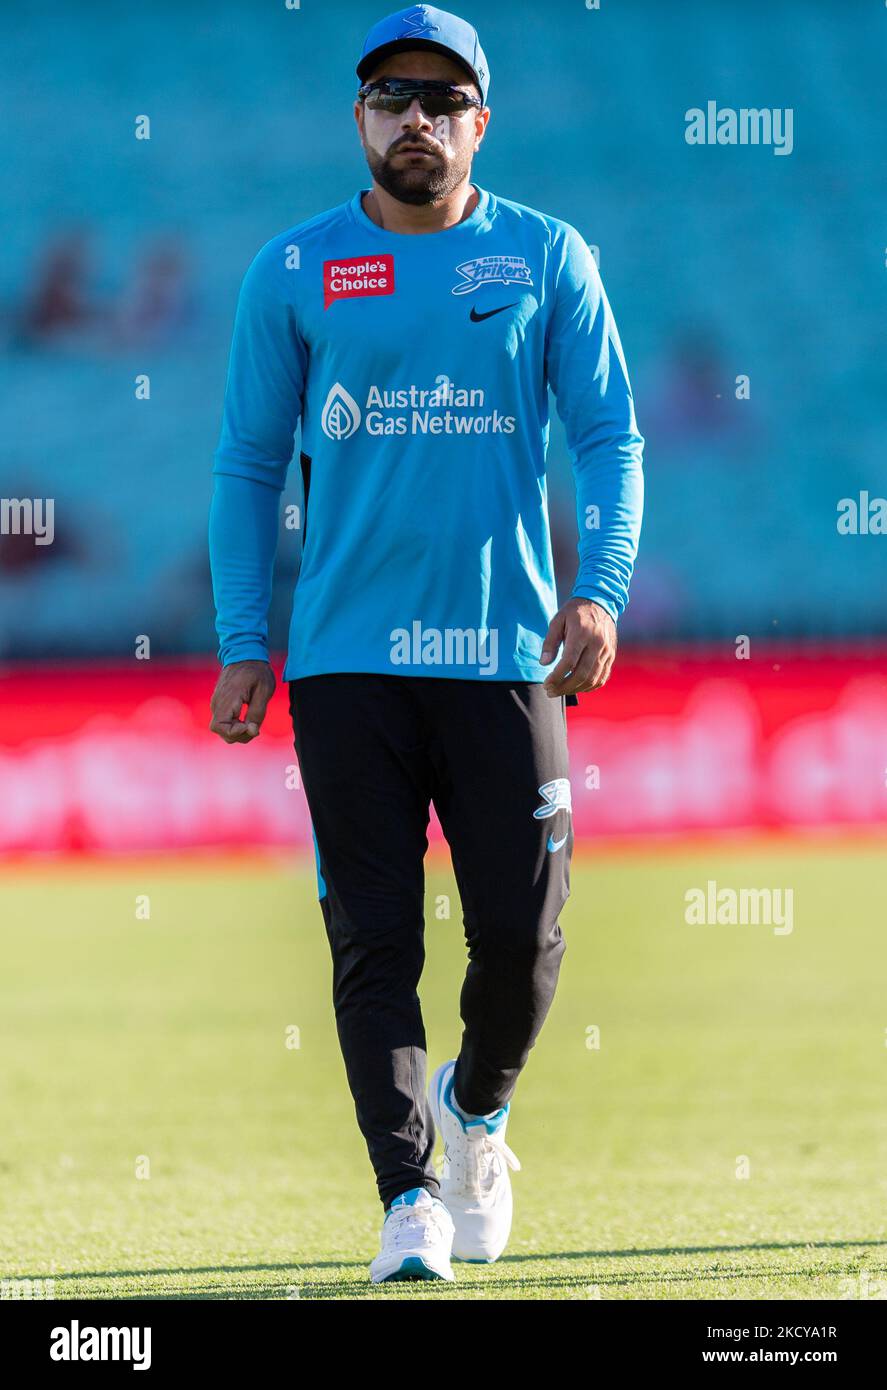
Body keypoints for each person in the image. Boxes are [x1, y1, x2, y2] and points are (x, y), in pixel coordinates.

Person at [209, 4, 644, 1284]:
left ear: (478, 125)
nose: (417, 118)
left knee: (522, 938)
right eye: (392, 96)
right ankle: (405, 1196)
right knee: (373, 943)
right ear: (359, 118)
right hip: (345, 662)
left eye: (442, 100)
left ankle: (480, 1112)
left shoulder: (545, 257)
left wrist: (599, 588)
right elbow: (245, 463)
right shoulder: (294, 271)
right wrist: (246, 635)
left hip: (503, 654)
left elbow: (610, 435)